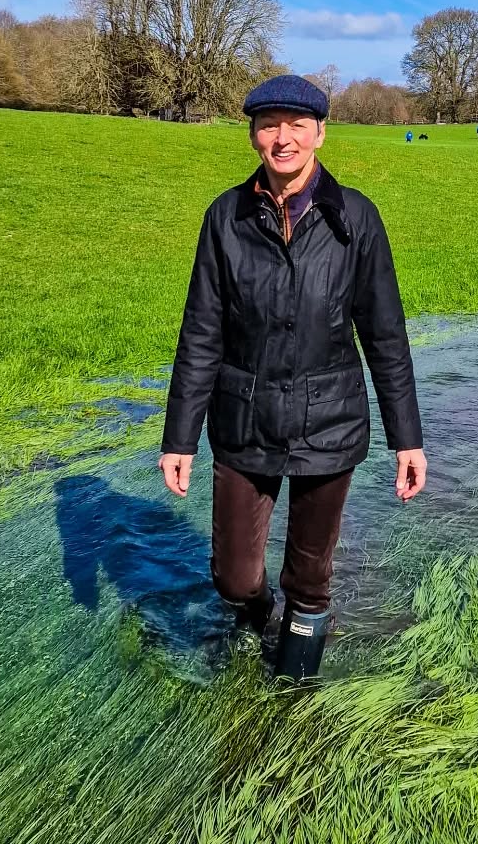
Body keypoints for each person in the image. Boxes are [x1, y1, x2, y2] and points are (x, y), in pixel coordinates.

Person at [159, 74, 428, 680]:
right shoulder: (225, 218)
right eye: (269, 125)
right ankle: (254, 619)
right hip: (243, 419)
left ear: (320, 133)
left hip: (330, 424)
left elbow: (384, 334)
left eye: (297, 125)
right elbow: (202, 331)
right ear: (253, 134)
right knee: (235, 577)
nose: (283, 139)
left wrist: (406, 438)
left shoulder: (355, 218)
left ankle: (292, 693)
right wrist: (180, 439)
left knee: (310, 575)